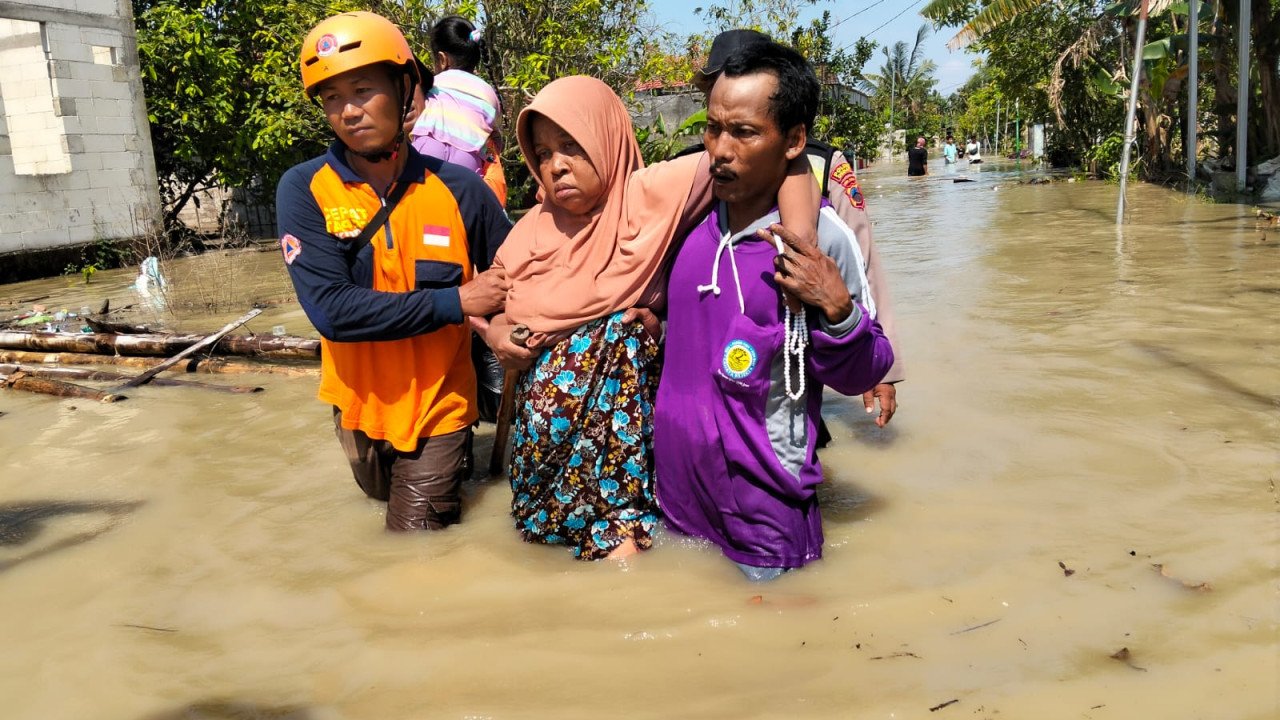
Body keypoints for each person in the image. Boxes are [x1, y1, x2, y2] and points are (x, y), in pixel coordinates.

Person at [481, 76, 821, 561]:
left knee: (623, 564)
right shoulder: (531, 229)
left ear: (604, 139)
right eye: (543, 153)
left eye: (571, 146)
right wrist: (498, 334)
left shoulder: (651, 198)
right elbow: (490, 298)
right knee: (537, 562)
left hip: (621, 473)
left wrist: (799, 247)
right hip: (541, 464)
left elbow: (782, 163)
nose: (556, 165)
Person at [654, 41, 894, 580]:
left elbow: (866, 368)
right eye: (713, 128)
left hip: (765, 518)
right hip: (678, 502)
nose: (720, 149)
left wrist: (838, 309)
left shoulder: (821, 240)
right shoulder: (686, 222)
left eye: (744, 132)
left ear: (794, 141)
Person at [276, 11, 510, 531]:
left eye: (363, 90)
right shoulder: (304, 189)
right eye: (332, 97)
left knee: (412, 546)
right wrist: (457, 301)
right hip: (356, 407)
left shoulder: (462, 190)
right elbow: (332, 312)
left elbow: (517, 280)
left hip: (440, 406)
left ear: (405, 88)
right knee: (379, 505)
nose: (348, 111)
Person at [689, 28, 904, 428]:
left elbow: (861, 259)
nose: (722, 143)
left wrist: (884, 369)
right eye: (714, 90)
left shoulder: (822, 163)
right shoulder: (696, 169)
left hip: (790, 374)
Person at [409, 15, 508, 207]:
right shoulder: (488, 92)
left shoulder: (433, 84)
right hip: (468, 160)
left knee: (422, 208)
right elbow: (493, 136)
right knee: (461, 213)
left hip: (427, 147)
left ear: (442, 59)